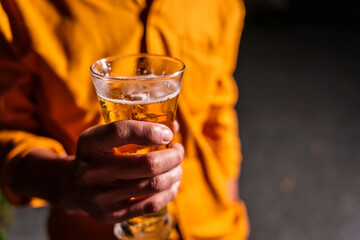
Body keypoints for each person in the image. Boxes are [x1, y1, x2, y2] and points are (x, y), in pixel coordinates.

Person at [0, 0, 249, 239]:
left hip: (217, 229)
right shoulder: (19, 6)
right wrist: (68, 183)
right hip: (94, 232)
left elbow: (219, 111)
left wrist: (229, 195)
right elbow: (6, 134)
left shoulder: (222, 3)